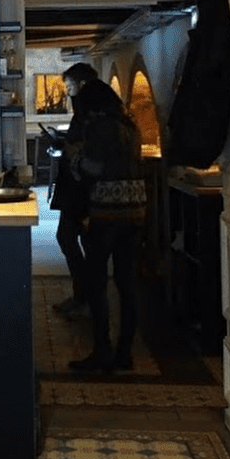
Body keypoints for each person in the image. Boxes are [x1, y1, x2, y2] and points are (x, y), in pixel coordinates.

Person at [65, 74, 147, 373]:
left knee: (97, 280)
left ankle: (102, 349)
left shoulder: (100, 127)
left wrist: (74, 158)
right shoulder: (131, 126)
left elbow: (94, 168)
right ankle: (125, 352)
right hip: (135, 210)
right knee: (127, 282)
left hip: (107, 211)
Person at [45, 63, 104, 321]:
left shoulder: (89, 113)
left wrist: (66, 148)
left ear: (81, 85)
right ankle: (85, 297)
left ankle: (85, 298)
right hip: (79, 189)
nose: (68, 92)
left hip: (82, 191)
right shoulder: (95, 111)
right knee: (73, 240)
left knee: (70, 239)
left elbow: (88, 150)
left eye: (69, 86)